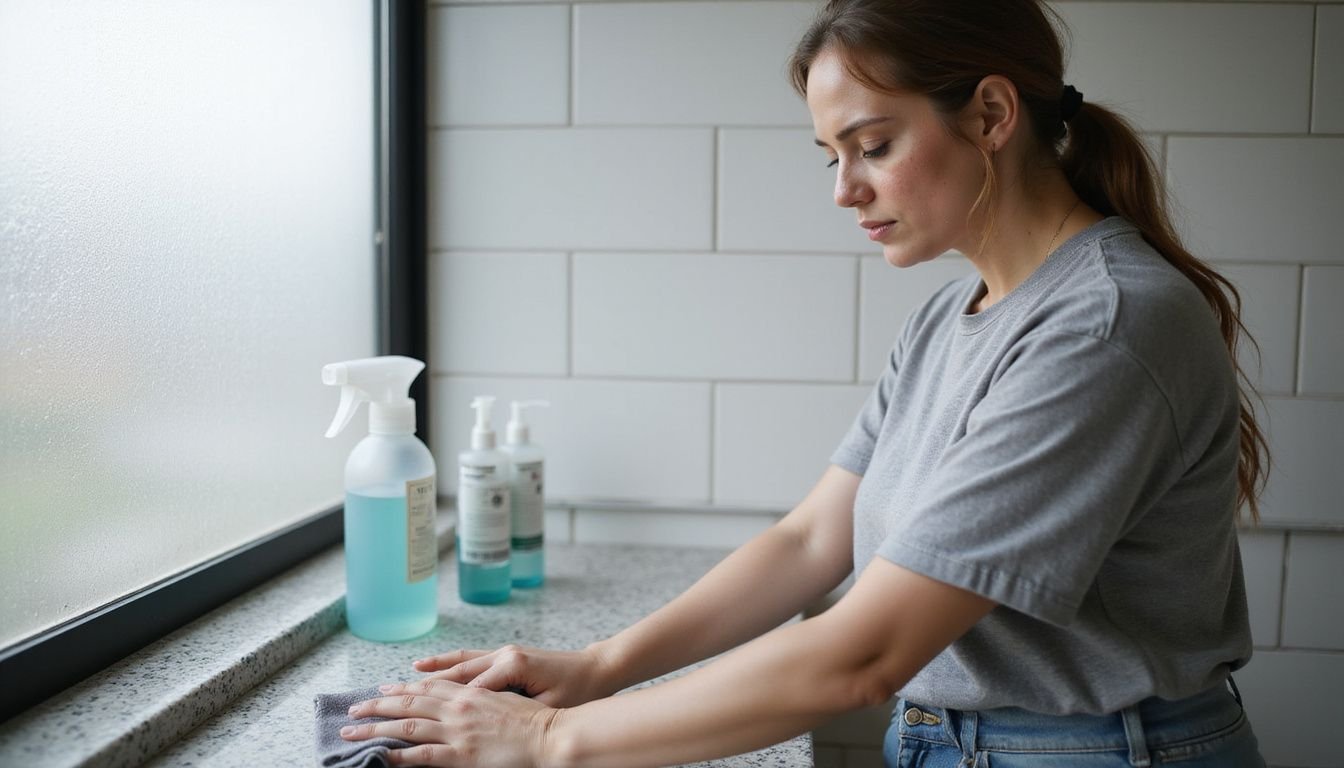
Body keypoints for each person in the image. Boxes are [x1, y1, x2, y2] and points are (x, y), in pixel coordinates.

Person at [339, 1, 1270, 765]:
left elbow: (865, 652)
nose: (844, 191)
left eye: (872, 145)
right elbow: (810, 539)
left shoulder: (1103, 325)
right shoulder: (952, 318)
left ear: (991, 115)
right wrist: (597, 666)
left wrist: (550, 742)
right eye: (833, 156)